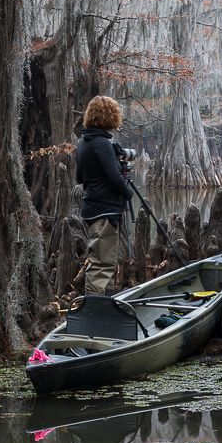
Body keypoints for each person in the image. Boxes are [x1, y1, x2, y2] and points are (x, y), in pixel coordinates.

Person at [76, 96, 133, 295]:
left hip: (93, 208)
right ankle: (94, 313)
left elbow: (79, 177)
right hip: (104, 210)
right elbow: (114, 178)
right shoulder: (101, 143)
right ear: (110, 116)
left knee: (103, 261)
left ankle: (104, 306)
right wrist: (128, 192)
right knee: (102, 265)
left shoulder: (83, 141)